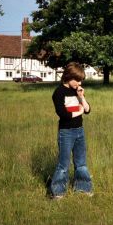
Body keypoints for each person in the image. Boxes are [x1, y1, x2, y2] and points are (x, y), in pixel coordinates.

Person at [50, 62, 93, 199]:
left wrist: (81, 97)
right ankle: (58, 192)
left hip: (79, 131)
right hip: (66, 132)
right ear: (68, 77)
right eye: (77, 80)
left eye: (81, 80)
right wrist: (79, 112)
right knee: (63, 164)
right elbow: (63, 114)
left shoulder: (77, 91)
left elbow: (87, 110)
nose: (79, 83)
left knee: (81, 163)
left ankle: (83, 188)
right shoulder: (58, 92)